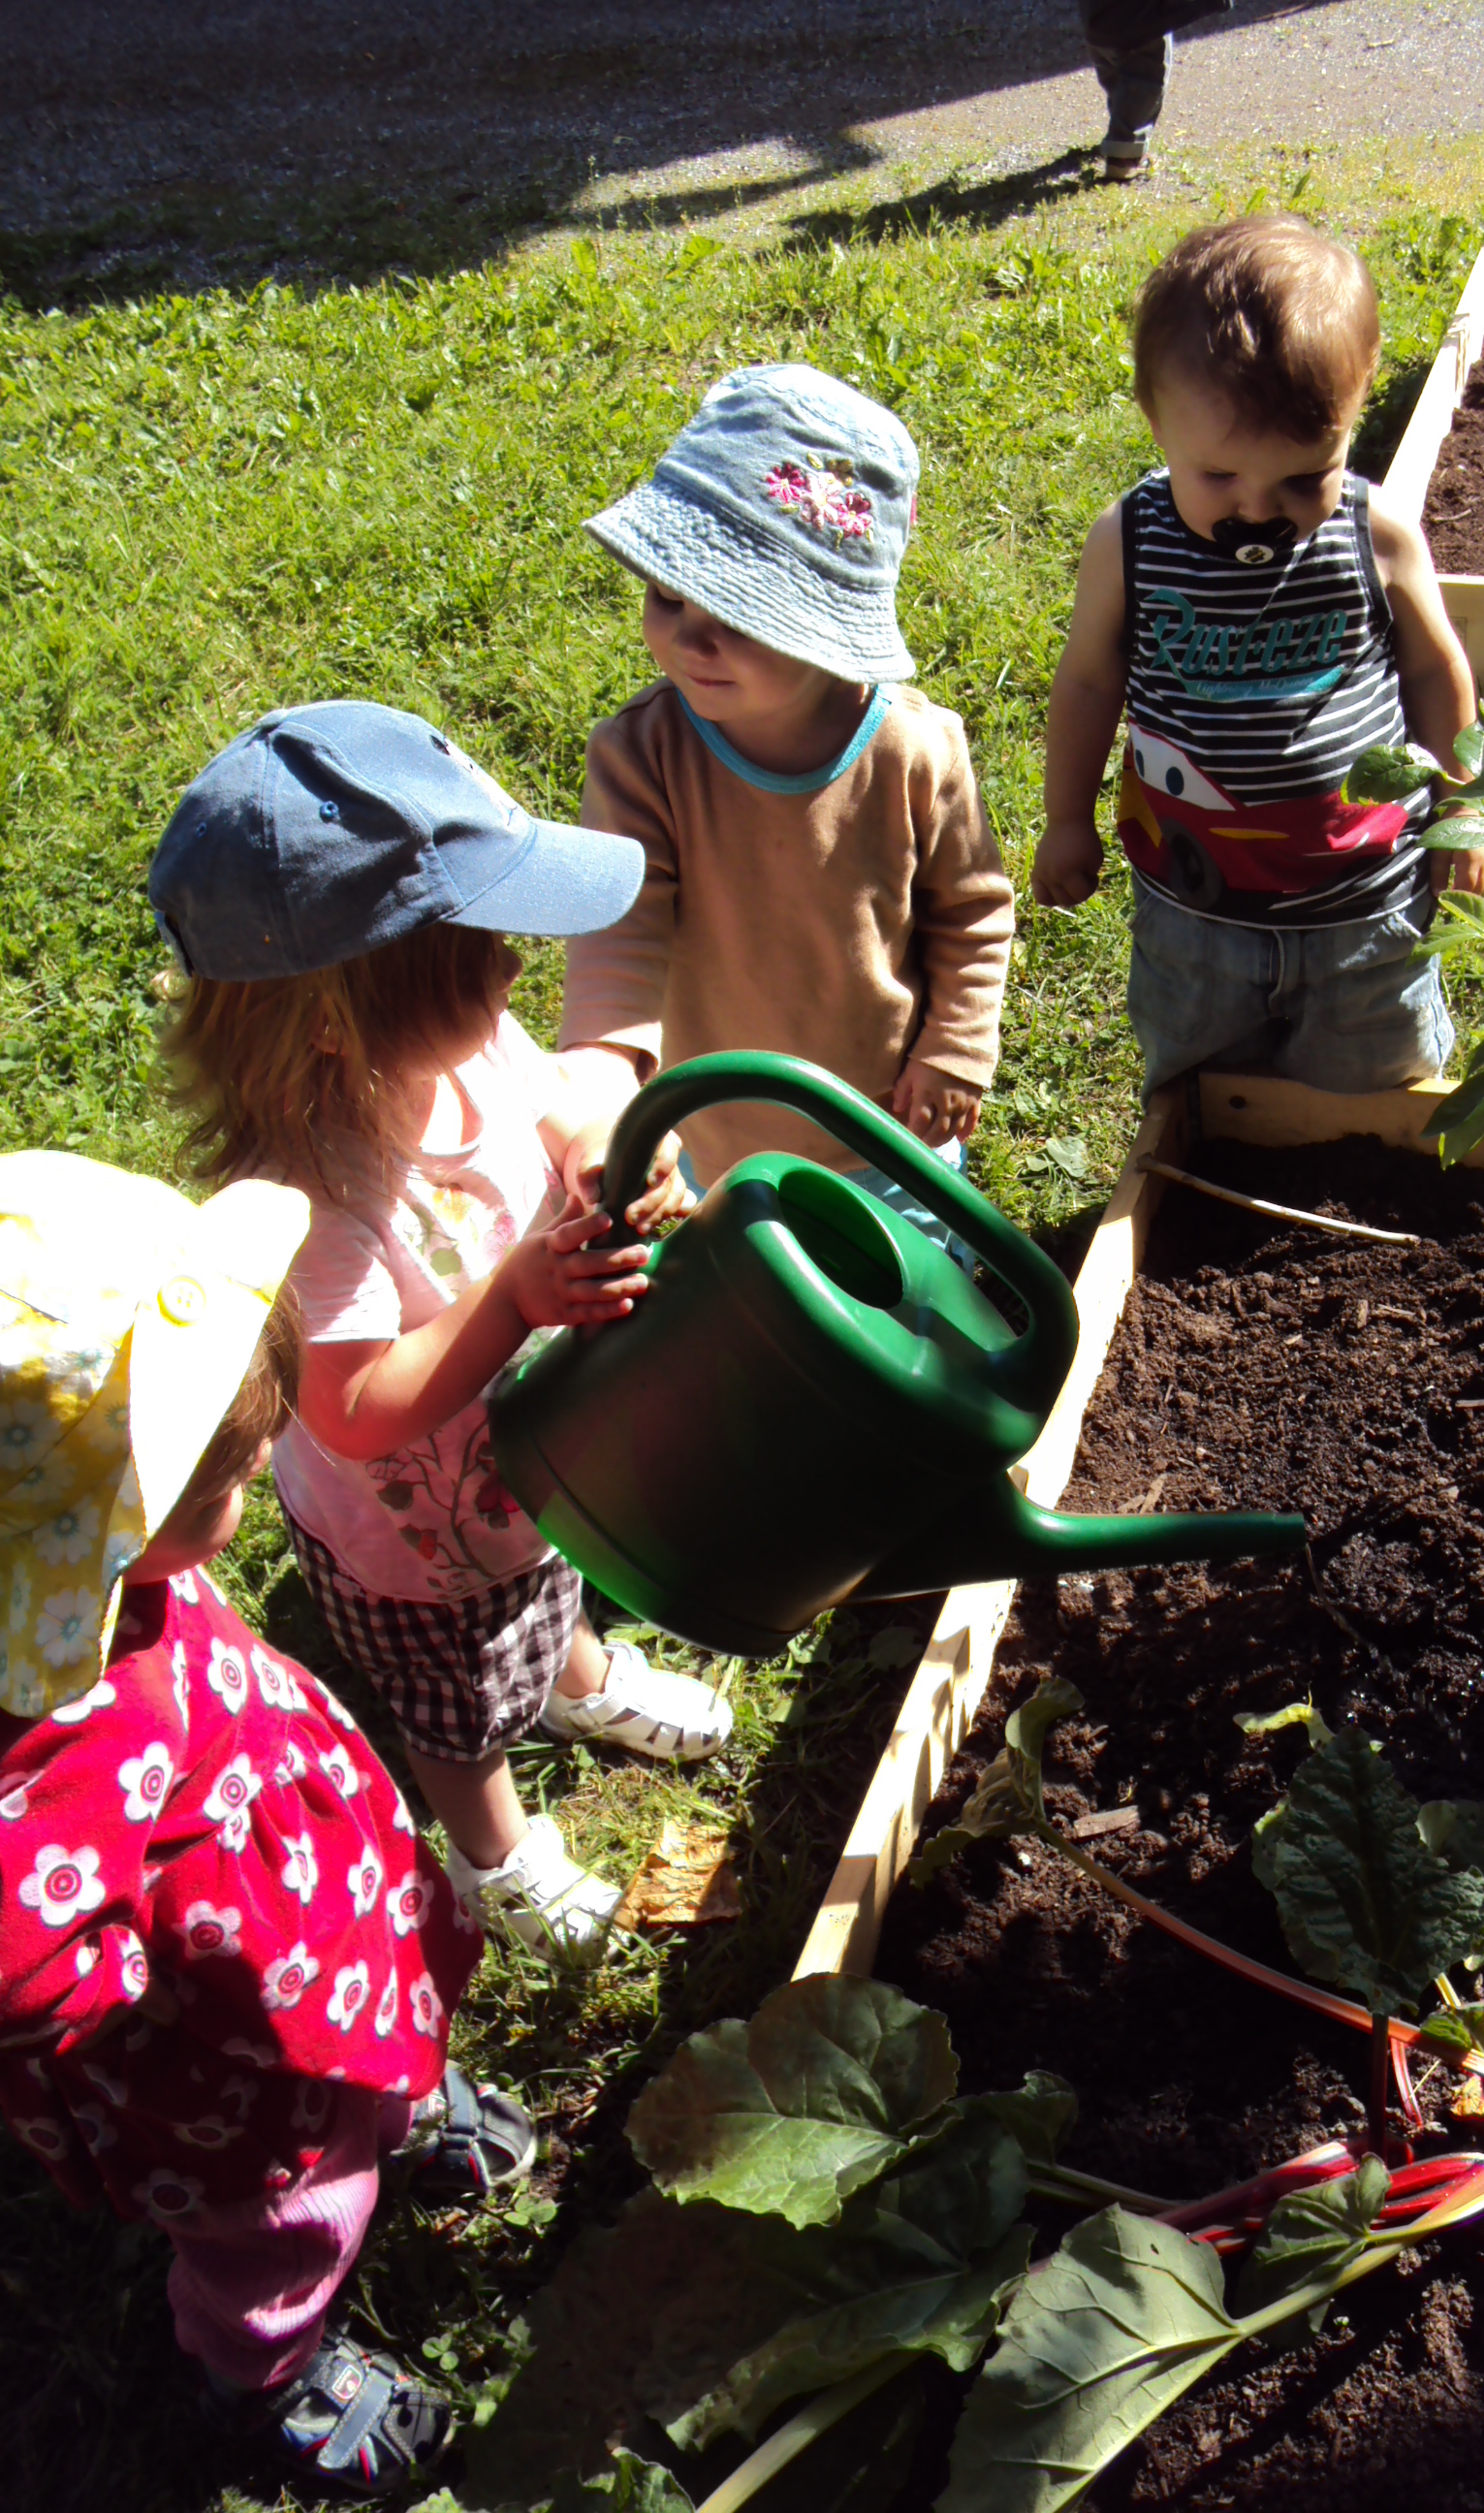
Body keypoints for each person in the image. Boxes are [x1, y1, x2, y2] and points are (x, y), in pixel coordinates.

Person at [147, 703, 732, 1966]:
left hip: (530, 1461)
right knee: (460, 1706)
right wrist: (514, 1297)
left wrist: (603, 1152)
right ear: (331, 1017)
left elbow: (561, 1100)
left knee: (554, 1583)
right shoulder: (309, 1196)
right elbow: (353, 1409)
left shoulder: (468, 1051)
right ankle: (493, 1853)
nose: (515, 970)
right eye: (479, 954)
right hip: (418, 1544)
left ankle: (576, 1684)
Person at [0, 1150, 518, 2496]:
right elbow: (21, 1966)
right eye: (219, 1478)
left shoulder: (73, 1591)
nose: (251, 1481)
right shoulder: (54, 1727)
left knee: (384, 2025)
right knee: (287, 2219)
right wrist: (160, 2006)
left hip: (315, 1931)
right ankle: (266, 2364)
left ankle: (391, 2095)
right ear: (96, 1531)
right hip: (230, 2053)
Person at [558, 364, 1014, 1242]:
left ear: (828, 625)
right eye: (666, 596)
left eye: (738, 616)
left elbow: (972, 912)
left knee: (911, 1304)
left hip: (886, 1130)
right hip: (712, 1135)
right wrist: (607, 1084)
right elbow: (619, 933)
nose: (690, 638)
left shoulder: (914, 752)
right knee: (754, 1302)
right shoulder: (642, 757)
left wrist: (955, 1049)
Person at [1033, 215, 1484, 1099]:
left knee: (1376, 1095)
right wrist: (1066, 818)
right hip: (1192, 914)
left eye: (1303, 477)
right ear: (1155, 421)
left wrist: (1461, 811)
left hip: (1367, 907)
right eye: (1219, 477)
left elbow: (1435, 671)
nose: (1258, 508)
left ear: (1355, 416)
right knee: (1202, 1098)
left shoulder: (1376, 534)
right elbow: (1088, 682)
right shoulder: (1129, 542)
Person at [1077, 1, 1227, 183]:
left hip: (1097, 22)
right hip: (1142, 22)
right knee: (1144, 81)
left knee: (1116, 74)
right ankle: (1124, 153)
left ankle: (1119, 136)